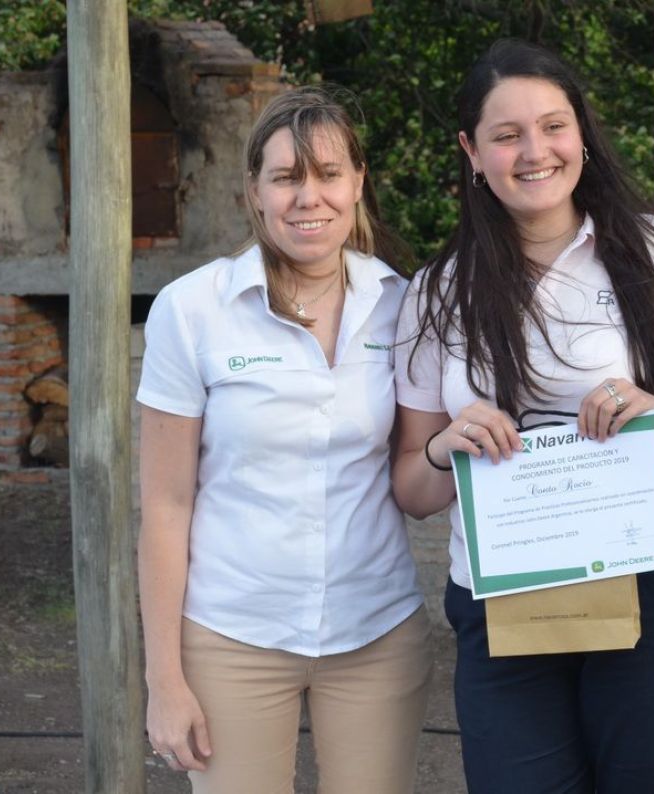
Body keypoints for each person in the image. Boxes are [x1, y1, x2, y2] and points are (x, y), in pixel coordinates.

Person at [392, 39, 654, 794]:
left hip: (653, 590)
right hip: (505, 600)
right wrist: (443, 451)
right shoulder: (435, 293)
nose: (535, 152)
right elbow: (413, 490)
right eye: (506, 134)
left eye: (553, 126)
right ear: (471, 152)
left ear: (582, 135)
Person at [136, 86, 431, 794]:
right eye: (286, 177)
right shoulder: (194, 310)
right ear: (254, 192)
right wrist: (164, 679)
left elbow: (418, 473)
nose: (309, 197)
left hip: (375, 631)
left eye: (328, 174)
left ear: (358, 183)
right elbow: (166, 505)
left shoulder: (403, 302)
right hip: (233, 633)